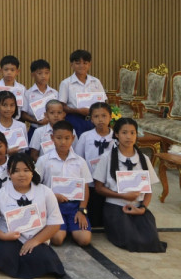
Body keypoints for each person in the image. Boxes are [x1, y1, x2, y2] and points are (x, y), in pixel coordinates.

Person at [0, 153, 65, 279]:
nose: (21, 175)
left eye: (26, 170)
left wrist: (35, 241)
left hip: (36, 239)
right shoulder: (1, 193)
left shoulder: (45, 192)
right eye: (16, 171)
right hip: (8, 240)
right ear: (9, 173)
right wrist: (3, 236)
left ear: (32, 171)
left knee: (44, 262)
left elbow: (55, 223)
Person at [93, 117, 166, 252]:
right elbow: (99, 188)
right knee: (130, 240)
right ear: (116, 134)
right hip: (116, 207)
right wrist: (122, 196)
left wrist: (143, 208)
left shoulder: (143, 159)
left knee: (151, 240)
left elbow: (148, 190)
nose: (129, 137)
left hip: (138, 207)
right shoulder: (107, 157)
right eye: (124, 132)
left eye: (132, 133)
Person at [35, 121, 92, 246]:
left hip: (75, 206)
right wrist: (51, 196)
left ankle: (70, 227)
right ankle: (63, 229)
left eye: (67, 138)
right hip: (53, 206)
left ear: (73, 138)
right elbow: (36, 185)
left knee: (84, 240)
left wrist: (82, 210)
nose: (63, 142)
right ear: (52, 138)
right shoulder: (43, 160)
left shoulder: (80, 161)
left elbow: (85, 187)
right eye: (59, 138)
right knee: (57, 239)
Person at [74, 101, 114, 227]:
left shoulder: (116, 137)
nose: (100, 120)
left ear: (110, 117)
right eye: (96, 116)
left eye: (104, 116)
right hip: (90, 182)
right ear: (91, 119)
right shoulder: (86, 136)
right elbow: (79, 158)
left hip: (109, 183)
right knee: (93, 213)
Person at [58, 49, 106, 137]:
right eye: (78, 63)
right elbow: (62, 106)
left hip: (94, 119)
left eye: (85, 63)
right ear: (71, 65)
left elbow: (103, 102)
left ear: (90, 64)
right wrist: (78, 111)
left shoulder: (96, 82)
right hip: (74, 119)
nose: (81, 66)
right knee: (76, 143)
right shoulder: (66, 83)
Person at [21, 59, 58, 140]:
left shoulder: (55, 93)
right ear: (33, 74)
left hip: (53, 130)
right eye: (40, 73)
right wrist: (36, 121)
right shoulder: (28, 93)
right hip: (35, 128)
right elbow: (23, 114)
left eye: (46, 73)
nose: (43, 76)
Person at [0, 91, 28, 155]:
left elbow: (25, 150)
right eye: (5, 105)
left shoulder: (21, 126)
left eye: (12, 105)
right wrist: (6, 152)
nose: (8, 109)